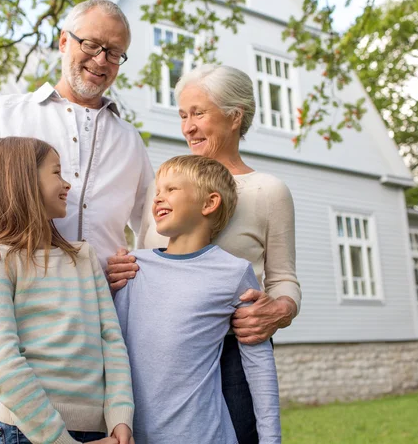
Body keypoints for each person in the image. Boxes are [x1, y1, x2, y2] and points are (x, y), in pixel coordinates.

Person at [0, 0, 153, 444]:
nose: (101, 61)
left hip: (95, 343)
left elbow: (155, 227)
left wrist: (140, 267)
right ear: (63, 42)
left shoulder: (129, 139)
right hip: (10, 328)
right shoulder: (4, 114)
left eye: (115, 53)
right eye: (92, 45)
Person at [107, 64, 300, 444]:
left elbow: (283, 278)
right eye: (182, 115)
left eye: (198, 113)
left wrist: (279, 310)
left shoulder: (267, 191)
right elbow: (147, 254)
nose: (188, 127)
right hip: (158, 355)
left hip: (233, 351)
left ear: (234, 116)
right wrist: (121, 270)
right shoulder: (166, 189)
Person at [0, 136, 134, 444]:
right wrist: (60, 440)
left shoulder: (83, 257)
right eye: (56, 172)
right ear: (22, 179)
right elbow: (2, 362)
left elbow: (111, 341)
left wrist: (120, 417)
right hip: (27, 433)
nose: (66, 184)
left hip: (101, 433)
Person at [114, 155, 281, 444]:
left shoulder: (233, 272)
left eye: (171, 190)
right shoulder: (131, 268)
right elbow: (111, 350)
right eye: (157, 192)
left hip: (205, 435)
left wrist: (271, 440)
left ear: (209, 203)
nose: (157, 199)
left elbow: (259, 366)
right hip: (134, 436)